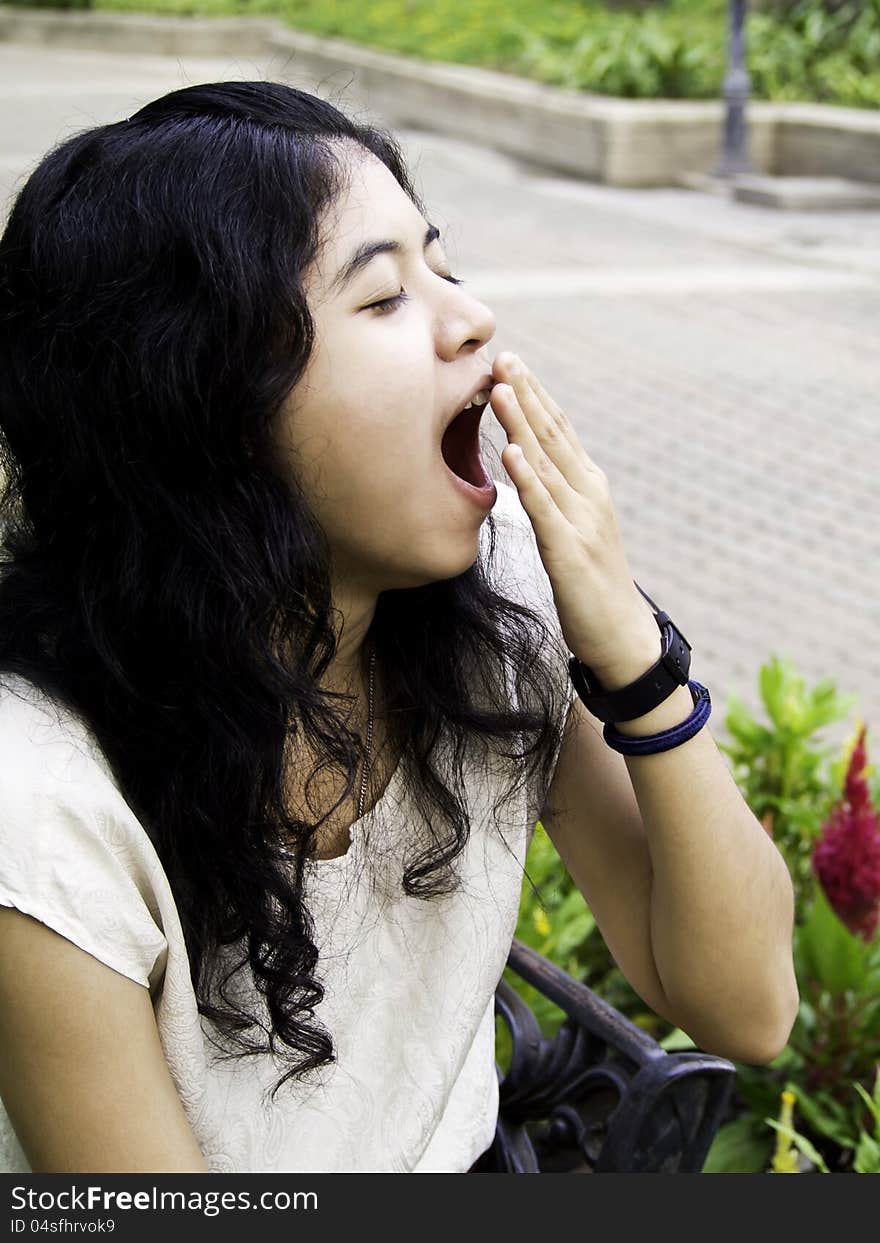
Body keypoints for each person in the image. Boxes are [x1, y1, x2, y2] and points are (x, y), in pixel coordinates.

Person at [0, 80, 798, 1175]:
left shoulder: (496, 600)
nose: (471, 319)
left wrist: (630, 653)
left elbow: (746, 1008)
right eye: (382, 301)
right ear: (203, 407)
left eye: (443, 266)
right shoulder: (40, 805)